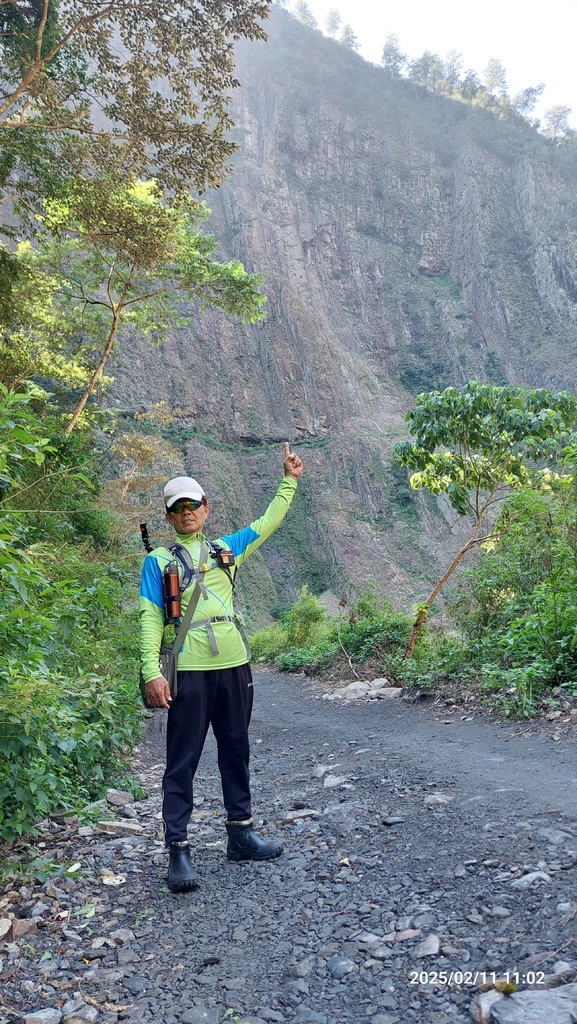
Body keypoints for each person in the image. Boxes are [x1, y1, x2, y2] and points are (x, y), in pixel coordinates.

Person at [139, 442, 304, 892]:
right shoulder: (157, 561)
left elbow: (266, 523)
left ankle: (241, 834)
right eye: (178, 508)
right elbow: (150, 617)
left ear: (206, 509)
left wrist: (288, 481)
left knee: (236, 747)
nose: (187, 512)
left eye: (194, 504)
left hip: (235, 664)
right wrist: (152, 672)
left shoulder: (226, 550)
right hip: (189, 671)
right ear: (169, 517)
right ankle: (178, 851)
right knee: (182, 759)